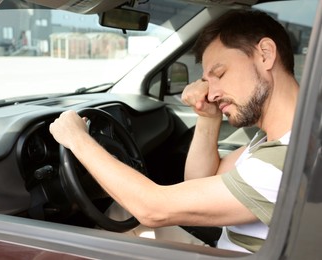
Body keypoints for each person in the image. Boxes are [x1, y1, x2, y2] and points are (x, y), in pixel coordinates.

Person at [49, 9, 298, 253]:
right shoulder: (280, 137)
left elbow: (153, 209)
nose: (211, 94)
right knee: (123, 214)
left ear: (265, 54)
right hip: (226, 249)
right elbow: (201, 182)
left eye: (219, 74)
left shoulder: (285, 160)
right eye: (207, 82)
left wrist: (77, 139)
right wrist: (209, 115)